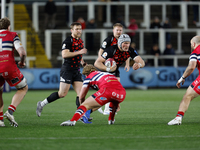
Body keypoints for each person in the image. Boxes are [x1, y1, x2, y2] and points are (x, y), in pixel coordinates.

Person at [36, 22, 90, 123]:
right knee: (62, 94)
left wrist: (83, 63)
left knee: (81, 94)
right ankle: (42, 104)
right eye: (76, 29)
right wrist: (79, 52)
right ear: (72, 30)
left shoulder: (81, 41)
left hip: (76, 70)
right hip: (67, 70)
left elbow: (79, 55)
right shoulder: (68, 41)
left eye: (80, 29)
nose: (79, 31)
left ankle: (81, 115)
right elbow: (64, 54)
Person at [60, 64, 126, 126]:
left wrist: (83, 105)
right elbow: (114, 87)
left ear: (86, 74)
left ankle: (72, 121)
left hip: (107, 91)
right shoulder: (106, 73)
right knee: (113, 102)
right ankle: (111, 120)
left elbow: (82, 96)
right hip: (122, 93)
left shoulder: (88, 77)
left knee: (85, 105)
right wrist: (118, 103)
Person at [94, 34, 145, 115]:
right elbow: (97, 63)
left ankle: (103, 105)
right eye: (125, 43)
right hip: (105, 70)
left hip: (115, 70)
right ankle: (104, 108)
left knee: (116, 90)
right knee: (110, 90)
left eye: (128, 43)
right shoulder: (111, 50)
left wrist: (139, 65)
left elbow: (142, 61)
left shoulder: (130, 50)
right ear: (120, 43)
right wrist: (108, 69)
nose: (127, 45)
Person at [0, 17, 28, 127]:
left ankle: (0, 120)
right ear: (8, 26)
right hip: (8, 67)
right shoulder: (12, 35)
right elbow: (22, 53)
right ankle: (10, 111)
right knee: (23, 88)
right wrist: (22, 62)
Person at [97, 23, 130, 115]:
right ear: (113, 30)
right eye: (117, 30)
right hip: (108, 66)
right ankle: (106, 108)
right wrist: (103, 63)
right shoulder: (109, 39)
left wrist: (127, 64)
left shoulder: (123, 40)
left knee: (114, 87)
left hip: (115, 66)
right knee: (111, 87)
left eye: (120, 30)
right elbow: (101, 51)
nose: (119, 32)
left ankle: (101, 106)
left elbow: (126, 52)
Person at [168, 35, 200, 125]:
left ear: (193, 44)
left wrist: (182, 78)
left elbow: (191, 67)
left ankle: (178, 118)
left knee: (188, 95)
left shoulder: (195, 52)